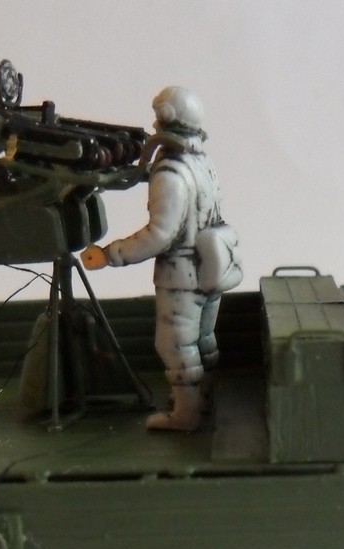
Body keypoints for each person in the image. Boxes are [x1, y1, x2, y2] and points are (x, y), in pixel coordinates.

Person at [81, 86, 242, 431]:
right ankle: (204, 396)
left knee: (175, 344)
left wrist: (110, 254)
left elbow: (160, 235)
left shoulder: (171, 173)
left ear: (165, 117)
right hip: (213, 266)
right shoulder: (203, 163)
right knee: (203, 338)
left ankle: (186, 414)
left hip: (181, 275)